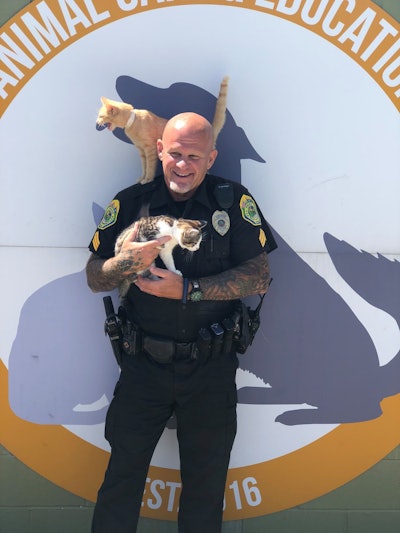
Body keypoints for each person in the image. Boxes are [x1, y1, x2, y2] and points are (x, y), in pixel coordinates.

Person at [86, 112, 275, 532]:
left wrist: (188, 289)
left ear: (211, 158)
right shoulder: (132, 202)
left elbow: (260, 276)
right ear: (159, 150)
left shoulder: (232, 202)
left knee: (205, 493)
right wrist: (122, 263)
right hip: (142, 366)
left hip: (210, 370)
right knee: (121, 481)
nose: (183, 165)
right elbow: (94, 277)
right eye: (175, 154)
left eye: (194, 155)